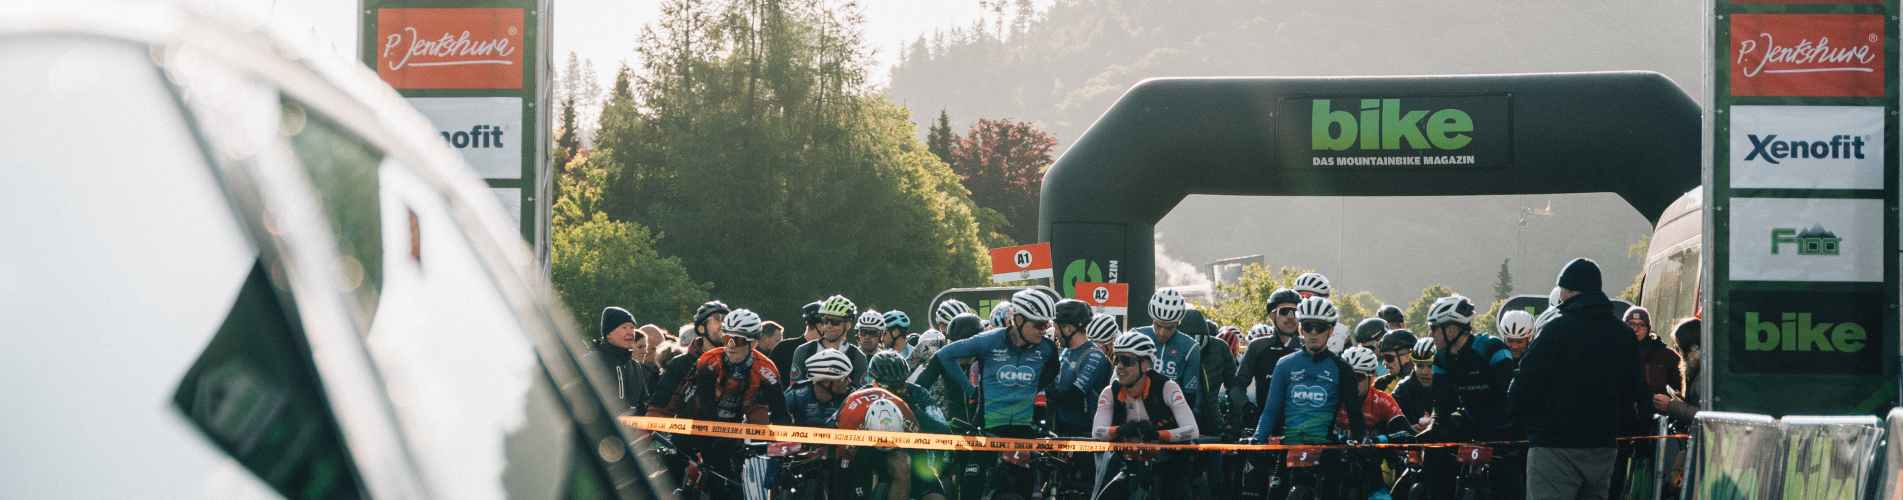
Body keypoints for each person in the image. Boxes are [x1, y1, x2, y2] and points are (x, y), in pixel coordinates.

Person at [1509, 258, 1647, 500]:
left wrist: (1530, 427)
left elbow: (1522, 385)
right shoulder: (1624, 335)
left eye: (1562, 289)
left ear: (1570, 290)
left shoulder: (1555, 330)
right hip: (1603, 446)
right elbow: (1635, 389)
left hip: (1553, 445)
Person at [916, 289, 1060, 498]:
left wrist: (1028, 390)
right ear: (1019, 320)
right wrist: (970, 389)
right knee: (970, 492)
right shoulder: (989, 341)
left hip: (1023, 433)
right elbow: (944, 356)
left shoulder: (1047, 349)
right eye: (1039, 324)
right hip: (986, 430)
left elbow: (1050, 376)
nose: (1044, 329)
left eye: (1046, 324)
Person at [649, 308, 787, 498]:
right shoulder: (709, 360)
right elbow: (706, 405)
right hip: (695, 424)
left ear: (754, 343)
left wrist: (782, 444)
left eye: (737, 340)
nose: (730, 345)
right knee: (673, 476)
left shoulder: (767, 370)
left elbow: (780, 414)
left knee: (725, 489)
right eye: (726, 338)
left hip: (729, 433)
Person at [1248, 296, 1364, 499]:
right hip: (1290, 448)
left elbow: (1355, 414)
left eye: (1320, 327)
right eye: (1308, 326)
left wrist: (1360, 443)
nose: (1313, 333)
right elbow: (1271, 410)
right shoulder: (1284, 364)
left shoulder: (1342, 369)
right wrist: (1258, 439)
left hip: (1326, 451)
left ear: (1330, 330)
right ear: (1300, 329)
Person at [1424, 294, 1525, 500]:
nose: (1430, 334)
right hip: (1470, 419)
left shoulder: (1491, 347)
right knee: (1435, 445)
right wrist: (1434, 428)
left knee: (1508, 478)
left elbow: (1511, 396)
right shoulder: (1441, 358)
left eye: (1434, 328)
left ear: (1451, 329)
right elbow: (1442, 404)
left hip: (1503, 422)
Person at [1093, 332, 1200, 500]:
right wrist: (1120, 430)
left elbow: (1192, 430)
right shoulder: (1110, 392)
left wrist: (1159, 434)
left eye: (1126, 361)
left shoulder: (1168, 388)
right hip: (1128, 463)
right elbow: (1097, 432)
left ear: (1145, 365)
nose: (1119, 367)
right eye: (1116, 359)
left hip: (1167, 462)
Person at [1614, 306, 1680, 498]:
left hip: (1654, 426)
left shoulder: (1666, 355)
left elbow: (1681, 388)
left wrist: (1671, 402)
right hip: (1619, 424)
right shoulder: (1612, 351)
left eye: (1641, 325)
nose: (1635, 329)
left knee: (1653, 475)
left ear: (1648, 328)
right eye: (1631, 324)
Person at [1231, 288, 1304, 429]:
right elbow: (1237, 386)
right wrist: (1247, 408)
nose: (1290, 317)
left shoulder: (1307, 347)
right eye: (1284, 311)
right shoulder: (1258, 347)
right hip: (1266, 426)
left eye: (1295, 312)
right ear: (1272, 315)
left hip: (1302, 427)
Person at [1132, 289, 1204, 419]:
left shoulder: (1190, 348)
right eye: (1158, 325)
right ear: (1152, 319)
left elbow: (1189, 397)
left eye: (1169, 327)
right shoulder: (1135, 336)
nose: (1162, 332)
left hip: (1169, 414)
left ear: (1178, 322)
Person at [653, 300, 732, 412]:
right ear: (701, 328)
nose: (723, 325)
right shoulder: (680, 364)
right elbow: (657, 409)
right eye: (718, 319)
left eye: (727, 320)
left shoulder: (739, 363)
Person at [1048, 299, 1112, 438]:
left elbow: (1074, 396)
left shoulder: (1094, 356)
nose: (1055, 333)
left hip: (1084, 434)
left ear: (1069, 329)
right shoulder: (1064, 351)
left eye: (1056, 328)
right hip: (1061, 431)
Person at [1653, 318, 1701, 500]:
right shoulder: (1697, 370)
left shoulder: (1703, 375)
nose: (1677, 352)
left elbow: (1704, 415)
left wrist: (1672, 406)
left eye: (1679, 347)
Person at [587, 306, 657, 415]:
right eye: (624, 327)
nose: (630, 332)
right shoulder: (591, 362)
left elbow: (642, 404)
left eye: (632, 328)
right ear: (608, 334)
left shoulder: (635, 366)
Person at [791, 295, 869, 385]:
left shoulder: (857, 357)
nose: (828, 325)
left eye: (835, 322)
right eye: (825, 320)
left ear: (848, 325)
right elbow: (794, 388)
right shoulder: (804, 351)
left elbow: (861, 390)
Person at [784, 348, 857, 426]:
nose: (849, 381)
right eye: (844, 378)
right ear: (826, 382)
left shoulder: (853, 398)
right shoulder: (795, 395)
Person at [1292, 272, 1350, 353]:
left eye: (1308, 297)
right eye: (1300, 297)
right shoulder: (1287, 326)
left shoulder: (1341, 333)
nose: (1304, 301)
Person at [1391, 337, 1438, 428]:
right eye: (1419, 366)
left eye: (1430, 366)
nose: (1424, 372)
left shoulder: (1454, 385)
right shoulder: (1402, 390)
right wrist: (1409, 429)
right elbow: (1392, 425)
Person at [775, 301, 822, 381]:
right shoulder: (783, 348)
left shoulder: (783, 346)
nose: (830, 326)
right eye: (827, 322)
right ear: (819, 325)